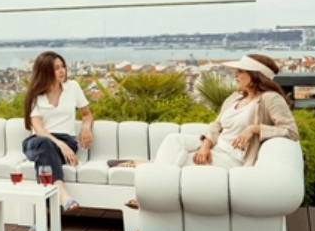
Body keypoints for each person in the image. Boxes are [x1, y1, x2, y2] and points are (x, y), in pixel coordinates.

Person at [123, 54, 298, 219]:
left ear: (256, 75)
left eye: (241, 71)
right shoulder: (235, 97)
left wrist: (254, 128)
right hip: (215, 146)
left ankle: (150, 202)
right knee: (173, 140)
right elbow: (216, 125)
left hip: (231, 157)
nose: (235, 75)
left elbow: (290, 131)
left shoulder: (270, 99)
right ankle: (152, 199)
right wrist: (205, 146)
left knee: (178, 165)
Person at [22, 51, 93, 231]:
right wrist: (59, 145)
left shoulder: (73, 87)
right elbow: (39, 130)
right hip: (38, 141)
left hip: (66, 141)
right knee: (45, 145)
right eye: (56, 68)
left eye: (63, 66)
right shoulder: (35, 95)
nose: (62, 71)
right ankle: (62, 194)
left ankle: (42, 216)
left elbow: (87, 114)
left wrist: (85, 127)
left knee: (44, 162)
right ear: (45, 72)